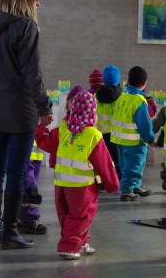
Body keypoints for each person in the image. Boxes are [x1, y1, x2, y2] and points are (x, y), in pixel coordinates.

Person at [0, 0, 53, 250]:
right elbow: (32, 72)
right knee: (17, 170)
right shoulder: (26, 26)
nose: (39, 4)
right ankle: (10, 230)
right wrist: (44, 106)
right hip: (21, 108)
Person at [36, 91, 119, 260]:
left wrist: (41, 128)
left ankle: (81, 242)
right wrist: (112, 184)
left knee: (66, 215)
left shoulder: (63, 129)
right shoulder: (93, 135)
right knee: (81, 215)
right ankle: (70, 247)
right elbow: (104, 163)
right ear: (92, 112)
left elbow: (45, 142)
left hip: (61, 184)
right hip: (83, 187)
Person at [18, 86, 83, 235]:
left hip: (34, 158)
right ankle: (26, 219)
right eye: (73, 101)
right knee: (28, 188)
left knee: (26, 188)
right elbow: (54, 142)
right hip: (26, 156)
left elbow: (55, 143)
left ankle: (19, 218)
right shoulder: (64, 124)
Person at [110, 66, 156, 201]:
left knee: (126, 165)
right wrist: (150, 138)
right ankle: (126, 190)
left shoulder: (122, 96)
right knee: (134, 166)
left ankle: (135, 186)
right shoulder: (139, 101)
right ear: (144, 83)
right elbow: (144, 124)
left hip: (120, 139)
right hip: (134, 141)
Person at [95, 65, 122, 179]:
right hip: (117, 135)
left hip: (99, 135)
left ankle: (102, 183)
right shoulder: (122, 97)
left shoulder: (95, 96)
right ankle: (117, 181)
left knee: (102, 160)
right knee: (118, 160)